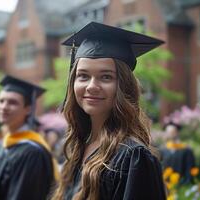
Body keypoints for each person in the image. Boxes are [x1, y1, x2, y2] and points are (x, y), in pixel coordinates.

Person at [51, 22, 166, 200]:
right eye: (83, 76)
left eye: (106, 77)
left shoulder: (133, 158)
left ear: (123, 85)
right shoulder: (79, 147)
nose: (91, 86)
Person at [0, 75, 57, 200]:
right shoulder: (1, 144)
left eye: (12, 102)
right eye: (1, 101)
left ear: (28, 109)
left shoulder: (32, 152)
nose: (4, 107)